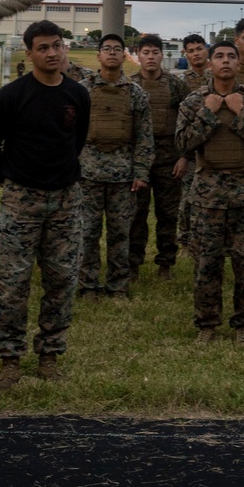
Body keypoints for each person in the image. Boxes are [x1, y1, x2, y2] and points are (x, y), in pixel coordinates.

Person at [0, 21, 90, 390]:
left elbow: (77, 141)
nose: (52, 53)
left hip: (66, 202)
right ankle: (10, 359)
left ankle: (50, 356)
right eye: (43, 48)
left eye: (57, 45)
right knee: (12, 284)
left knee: (61, 281)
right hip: (20, 202)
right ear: (29, 53)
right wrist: (11, 179)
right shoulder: (11, 97)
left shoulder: (77, 95)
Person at [174, 39, 244, 342]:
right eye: (219, 56)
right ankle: (207, 324)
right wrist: (208, 112)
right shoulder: (194, 102)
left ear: (238, 64)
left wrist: (240, 113)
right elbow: (182, 145)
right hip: (208, 192)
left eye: (231, 56)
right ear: (210, 63)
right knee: (207, 261)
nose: (226, 61)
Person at [78, 34, 153, 300]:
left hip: (123, 177)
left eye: (117, 49)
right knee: (87, 232)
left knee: (121, 233)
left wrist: (141, 172)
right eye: (106, 49)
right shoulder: (81, 90)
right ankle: (87, 285)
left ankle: (118, 285)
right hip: (87, 174)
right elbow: (70, 132)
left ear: (124, 56)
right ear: (98, 56)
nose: (112, 53)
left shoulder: (135, 93)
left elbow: (145, 136)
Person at [129, 34, 189, 281]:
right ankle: (132, 264)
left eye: (155, 52)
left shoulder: (176, 85)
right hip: (139, 160)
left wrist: (184, 156)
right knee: (135, 214)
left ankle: (165, 264)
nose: (151, 57)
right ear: (138, 56)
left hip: (169, 159)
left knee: (168, 214)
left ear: (162, 56)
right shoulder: (130, 85)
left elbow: (188, 122)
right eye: (146, 52)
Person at [176, 34, 211, 253]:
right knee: (187, 200)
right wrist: (182, 155)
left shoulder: (215, 76)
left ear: (206, 50)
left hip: (214, 148)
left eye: (199, 49)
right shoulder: (180, 82)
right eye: (191, 50)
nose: (196, 53)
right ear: (186, 54)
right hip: (190, 150)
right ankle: (186, 241)